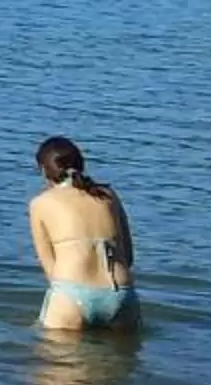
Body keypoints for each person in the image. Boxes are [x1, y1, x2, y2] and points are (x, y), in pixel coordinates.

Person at [28, 135, 137, 329]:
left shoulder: (40, 204)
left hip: (72, 295)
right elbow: (127, 257)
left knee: (51, 355)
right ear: (81, 165)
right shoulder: (109, 195)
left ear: (44, 170)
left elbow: (50, 269)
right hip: (120, 294)